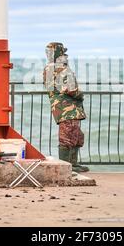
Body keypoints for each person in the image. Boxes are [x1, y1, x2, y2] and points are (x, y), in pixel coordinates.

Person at [43, 42, 89, 172]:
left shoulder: (50, 68)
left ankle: (72, 164)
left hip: (65, 108)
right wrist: (80, 94)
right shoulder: (59, 68)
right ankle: (67, 166)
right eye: (63, 53)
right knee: (68, 137)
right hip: (66, 107)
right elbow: (69, 89)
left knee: (76, 135)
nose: (66, 56)